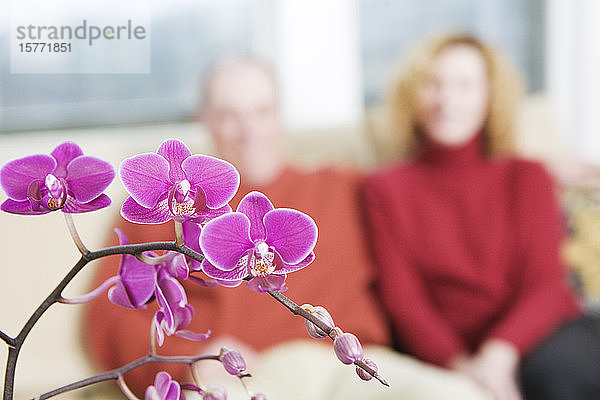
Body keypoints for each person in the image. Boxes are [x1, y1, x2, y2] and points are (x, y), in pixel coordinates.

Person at [82, 57, 390, 397]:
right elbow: (108, 317)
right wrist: (189, 361)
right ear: (204, 119)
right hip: (244, 377)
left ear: (280, 113)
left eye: (262, 111)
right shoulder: (158, 206)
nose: (249, 130)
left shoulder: (343, 187)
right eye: (230, 115)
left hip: (349, 367)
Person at [363, 32, 600, 400]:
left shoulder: (529, 176)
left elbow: (546, 286)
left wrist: (497, 356)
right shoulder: (384, 189)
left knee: (555, 376)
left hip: (545, 333)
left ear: (491, 97)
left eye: (465, 85)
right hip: (447, 350)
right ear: (413, 95)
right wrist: (461, 367)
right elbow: (403, 299)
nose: (447, 100)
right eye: (433, 84)